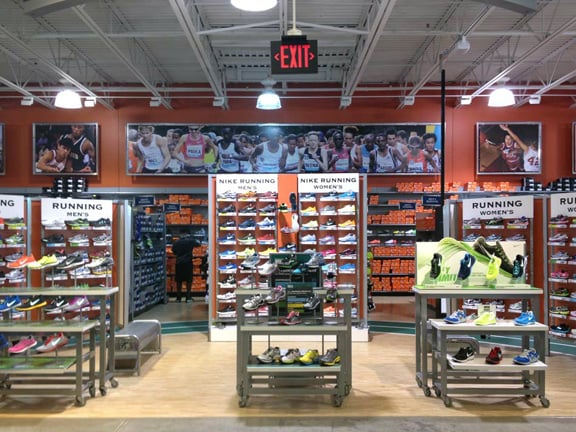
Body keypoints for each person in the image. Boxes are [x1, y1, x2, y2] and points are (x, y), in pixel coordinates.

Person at [171, 235, 201, 303]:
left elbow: (173, 251)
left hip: (179, 262)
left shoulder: (177, 242)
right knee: (189, 280)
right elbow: (198, 244)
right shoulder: (190, 241)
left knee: (179, 280)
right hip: (188, 262)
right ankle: (188, 297)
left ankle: (178, 298)